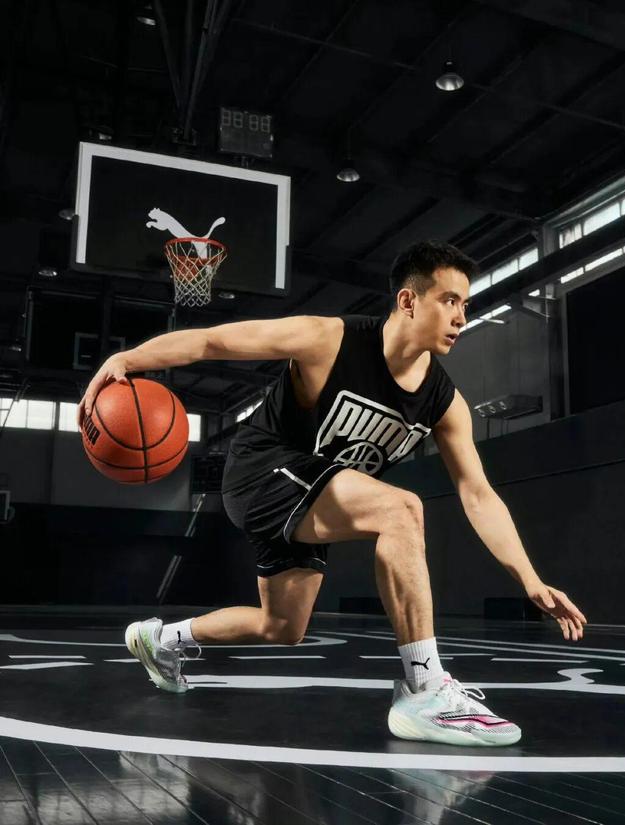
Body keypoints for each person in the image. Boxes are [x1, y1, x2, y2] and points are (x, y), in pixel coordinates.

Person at [78, 240, 587, 747]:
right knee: (401, 508)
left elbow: (478, 494)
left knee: (282, 627)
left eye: (465, 305)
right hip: (260, 472)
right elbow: (214, 343)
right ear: (408, 301)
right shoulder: (328, 340)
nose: (461, 316)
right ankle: (425, 688)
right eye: (449, 300)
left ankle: (162, 638)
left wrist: (530, 579)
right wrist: (127, 358)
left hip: (312, 493)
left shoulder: (444, 403)